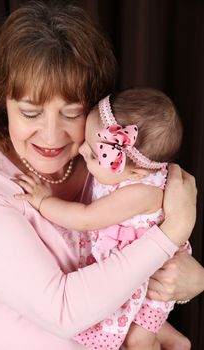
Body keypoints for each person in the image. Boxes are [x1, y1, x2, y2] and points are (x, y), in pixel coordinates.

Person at [0, 1, 198, 350]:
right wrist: (175, 230)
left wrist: (192, 278)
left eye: (72, 113)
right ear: (3, 101)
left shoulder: (106, 160)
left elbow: (159, 260)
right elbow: (64, 310)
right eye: (30, 113)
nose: (51, 136)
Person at [14, 87, 191, 350]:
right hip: (137, 273)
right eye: (87, 140)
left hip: (151, 278)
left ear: (137, 173)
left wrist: (43, 201)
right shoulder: (128, 173)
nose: (83, 151)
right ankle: (175, 340)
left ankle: (168, 342)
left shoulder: (141, 193)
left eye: (96, 156)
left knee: (137, 340)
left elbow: (86, 219)